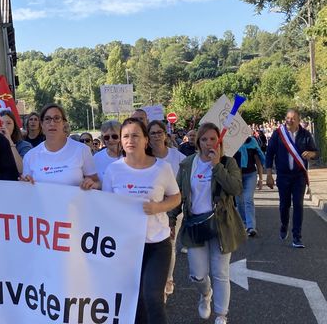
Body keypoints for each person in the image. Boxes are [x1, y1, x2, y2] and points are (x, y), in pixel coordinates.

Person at [103, 118, 181, 324]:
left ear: (146, 140)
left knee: (152, 296)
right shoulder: (113, 170)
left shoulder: (162, 168)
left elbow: (176, 197)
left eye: (136, 135)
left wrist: (158, 207)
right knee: (134, 300)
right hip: (127, 247)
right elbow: (106, 207)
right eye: (126, 136)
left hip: (157, 244)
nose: (131, 140)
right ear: (121, 141)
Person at [172, 123, 246, 324]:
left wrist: (217, 167)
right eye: (204, 139)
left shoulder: (227, 163)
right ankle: (205, 294)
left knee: (220, 271)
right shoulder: (188, 164)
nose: (208, 143)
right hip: (195, 225)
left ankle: (221, 314)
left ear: (219, 141)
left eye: (213, 139)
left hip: (221, 225)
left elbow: (235, 189)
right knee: (197, 274)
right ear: (198, 142)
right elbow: (178, 195)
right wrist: (171, 220)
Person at [265, 108, 318, 248]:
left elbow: (315, 152)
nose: (290, 120)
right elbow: (269, 154)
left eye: (293, 118)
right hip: (283, 175)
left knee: (298, 205)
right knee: (284, 205)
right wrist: (269, 174)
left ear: (298, 120)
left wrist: (310, 154)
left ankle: (297, 237)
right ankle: (284, 224)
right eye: (288, 117)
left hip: (299, 176)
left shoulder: (305, 134)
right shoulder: (278, 134)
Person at [147, 120, 186, 302]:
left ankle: (167, 279)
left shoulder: (178, 157)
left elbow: (184, 184)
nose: (156, 136)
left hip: (172, 209)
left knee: (169, 244)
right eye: (152, 133)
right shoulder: (144, 157)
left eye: (159, 132)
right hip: (150, 211)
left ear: (165, 135)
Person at [21, 103, 99, 189]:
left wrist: (92, 184)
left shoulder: (82, 150)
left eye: (57, 118)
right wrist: (25, 183)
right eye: (47, 119)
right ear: (42, 124)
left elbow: (97, 182)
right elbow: (26, 188)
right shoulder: (30, 156)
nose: (52, 123)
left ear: (64, 123)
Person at [233, 136, 265, 237]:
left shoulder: (252, 143)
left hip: (250, 174)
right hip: (237, 176)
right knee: (239, 201)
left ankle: (251, 226)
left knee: (248, 199)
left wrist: (261, 179)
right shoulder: (233, 145)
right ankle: (243, 223)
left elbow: (258, 162)